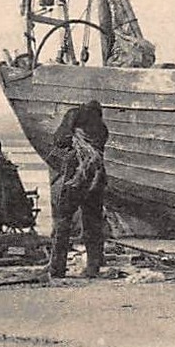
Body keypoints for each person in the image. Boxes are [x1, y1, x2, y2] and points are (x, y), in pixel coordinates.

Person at [48, 100, 108, 279]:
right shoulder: (103, 129)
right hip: (96, 176)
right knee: (93, 222)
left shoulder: (75, 114)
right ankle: (93, 268)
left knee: (63, 219)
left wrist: (71, 140)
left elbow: (59, 139)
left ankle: (57, 268)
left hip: (77, 173)